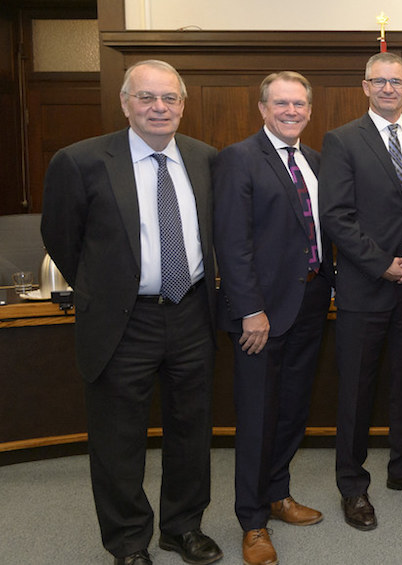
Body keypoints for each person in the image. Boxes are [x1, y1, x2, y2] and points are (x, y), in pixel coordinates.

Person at [40, 60, 222, 565]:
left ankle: (183, 528)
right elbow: (61, 238)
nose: (158, 107)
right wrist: (107, 287)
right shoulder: (80, 161)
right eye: (146, 97)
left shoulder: (206, 158)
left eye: (169, 98)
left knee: (191, 429)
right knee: (118, 438)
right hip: (122, 320)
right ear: (125, 103)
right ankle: (127, 542)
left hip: (191, 313)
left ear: (183, 105)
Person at [213, 71, 334, 565]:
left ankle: (278, 493)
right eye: (281, 103)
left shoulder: (316, 161)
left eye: (299, 104)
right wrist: (250, 311)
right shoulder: (239, 159)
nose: (291, 111)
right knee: (259, 415)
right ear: (262, 108)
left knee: (292, 410)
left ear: (309, 109)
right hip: (261, 313)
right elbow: (233, 243)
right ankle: (253, 520)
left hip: (310, 302)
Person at [318, 52, 402, 531]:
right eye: (379, 81)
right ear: (365, 86)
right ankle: (352, 483)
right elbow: (337, 216)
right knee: (356, 390)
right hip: (364, 288)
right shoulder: (342, 140)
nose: (388, 89)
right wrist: (382, 264)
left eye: (397, 82)